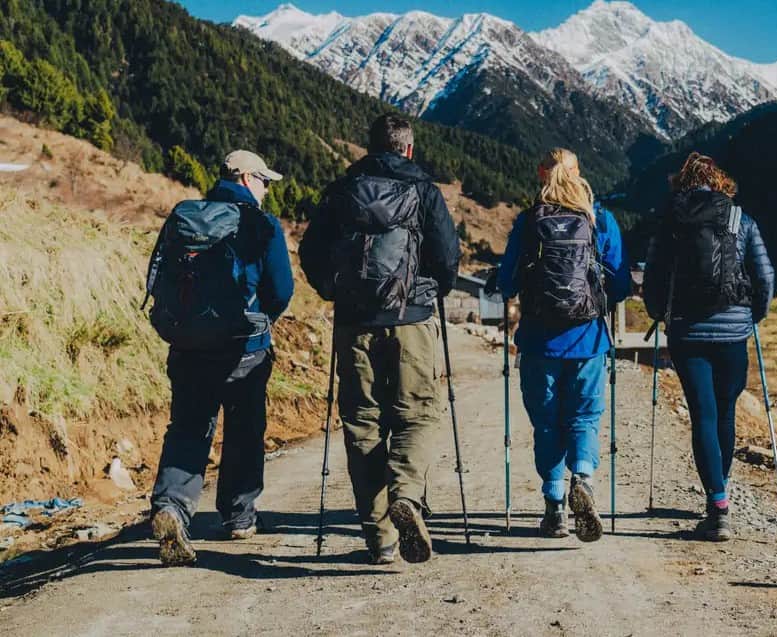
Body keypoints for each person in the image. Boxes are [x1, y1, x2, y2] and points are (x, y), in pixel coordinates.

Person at [299, 114, 460, 565]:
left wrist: (336, 291)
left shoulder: (342, 191)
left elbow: (310, 252)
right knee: (419, 413)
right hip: (411, 320)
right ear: (408, 148)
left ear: (369, 148)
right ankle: (407, 493)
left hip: (354, 323)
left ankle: (380, 538)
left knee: (363, 423)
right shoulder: (424, 190)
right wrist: (429, 294)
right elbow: (448, 257)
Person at [146, 150, 294, 566]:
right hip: (244, 347)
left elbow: (157, 277)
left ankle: (172, 507)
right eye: (265, 181)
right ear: (247, 178)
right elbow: (281, 289)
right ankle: (239, 516)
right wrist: (260, 319)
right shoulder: (261, 223)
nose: (267, 190)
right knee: (245, 429)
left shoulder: (185, 215)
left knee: (189, 428)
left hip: (189, 344)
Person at [496, 148, 631, 541]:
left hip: (539, 342)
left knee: (547, 423)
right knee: (584, 417)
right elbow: (619, 284)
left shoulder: (528, 222)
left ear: (542, 175)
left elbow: (507, 284)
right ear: (578, 174)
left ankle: (554, 506)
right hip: (588, 339)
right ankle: (583, 480)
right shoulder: (599, 219)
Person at [642, 152, 774, 542]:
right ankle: (719, 486)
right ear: (718, 181)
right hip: (734, 331)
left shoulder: (671, 221)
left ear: (682, 182)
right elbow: (764, 276)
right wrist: (754, 317)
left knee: (702, 414)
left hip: (687, 332)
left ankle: (717, 506)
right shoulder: (740, 219)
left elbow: (653, 276)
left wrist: (658, 314)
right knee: (725, 411)